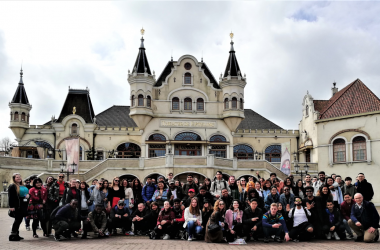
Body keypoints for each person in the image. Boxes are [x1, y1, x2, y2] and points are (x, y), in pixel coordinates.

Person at [8, 173, 29, 241]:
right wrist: (11, 206)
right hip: (16, 206)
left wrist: (28, 196)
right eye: (17, 177)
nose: (19, 178)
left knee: (19, 220)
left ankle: (16, 234)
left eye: (19, 177)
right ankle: (12, 235)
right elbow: (10, 197)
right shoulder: (12, 186)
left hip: (22, 206)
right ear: (14, 178)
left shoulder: (22, 185)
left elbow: (23, 195)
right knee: (17, 220)